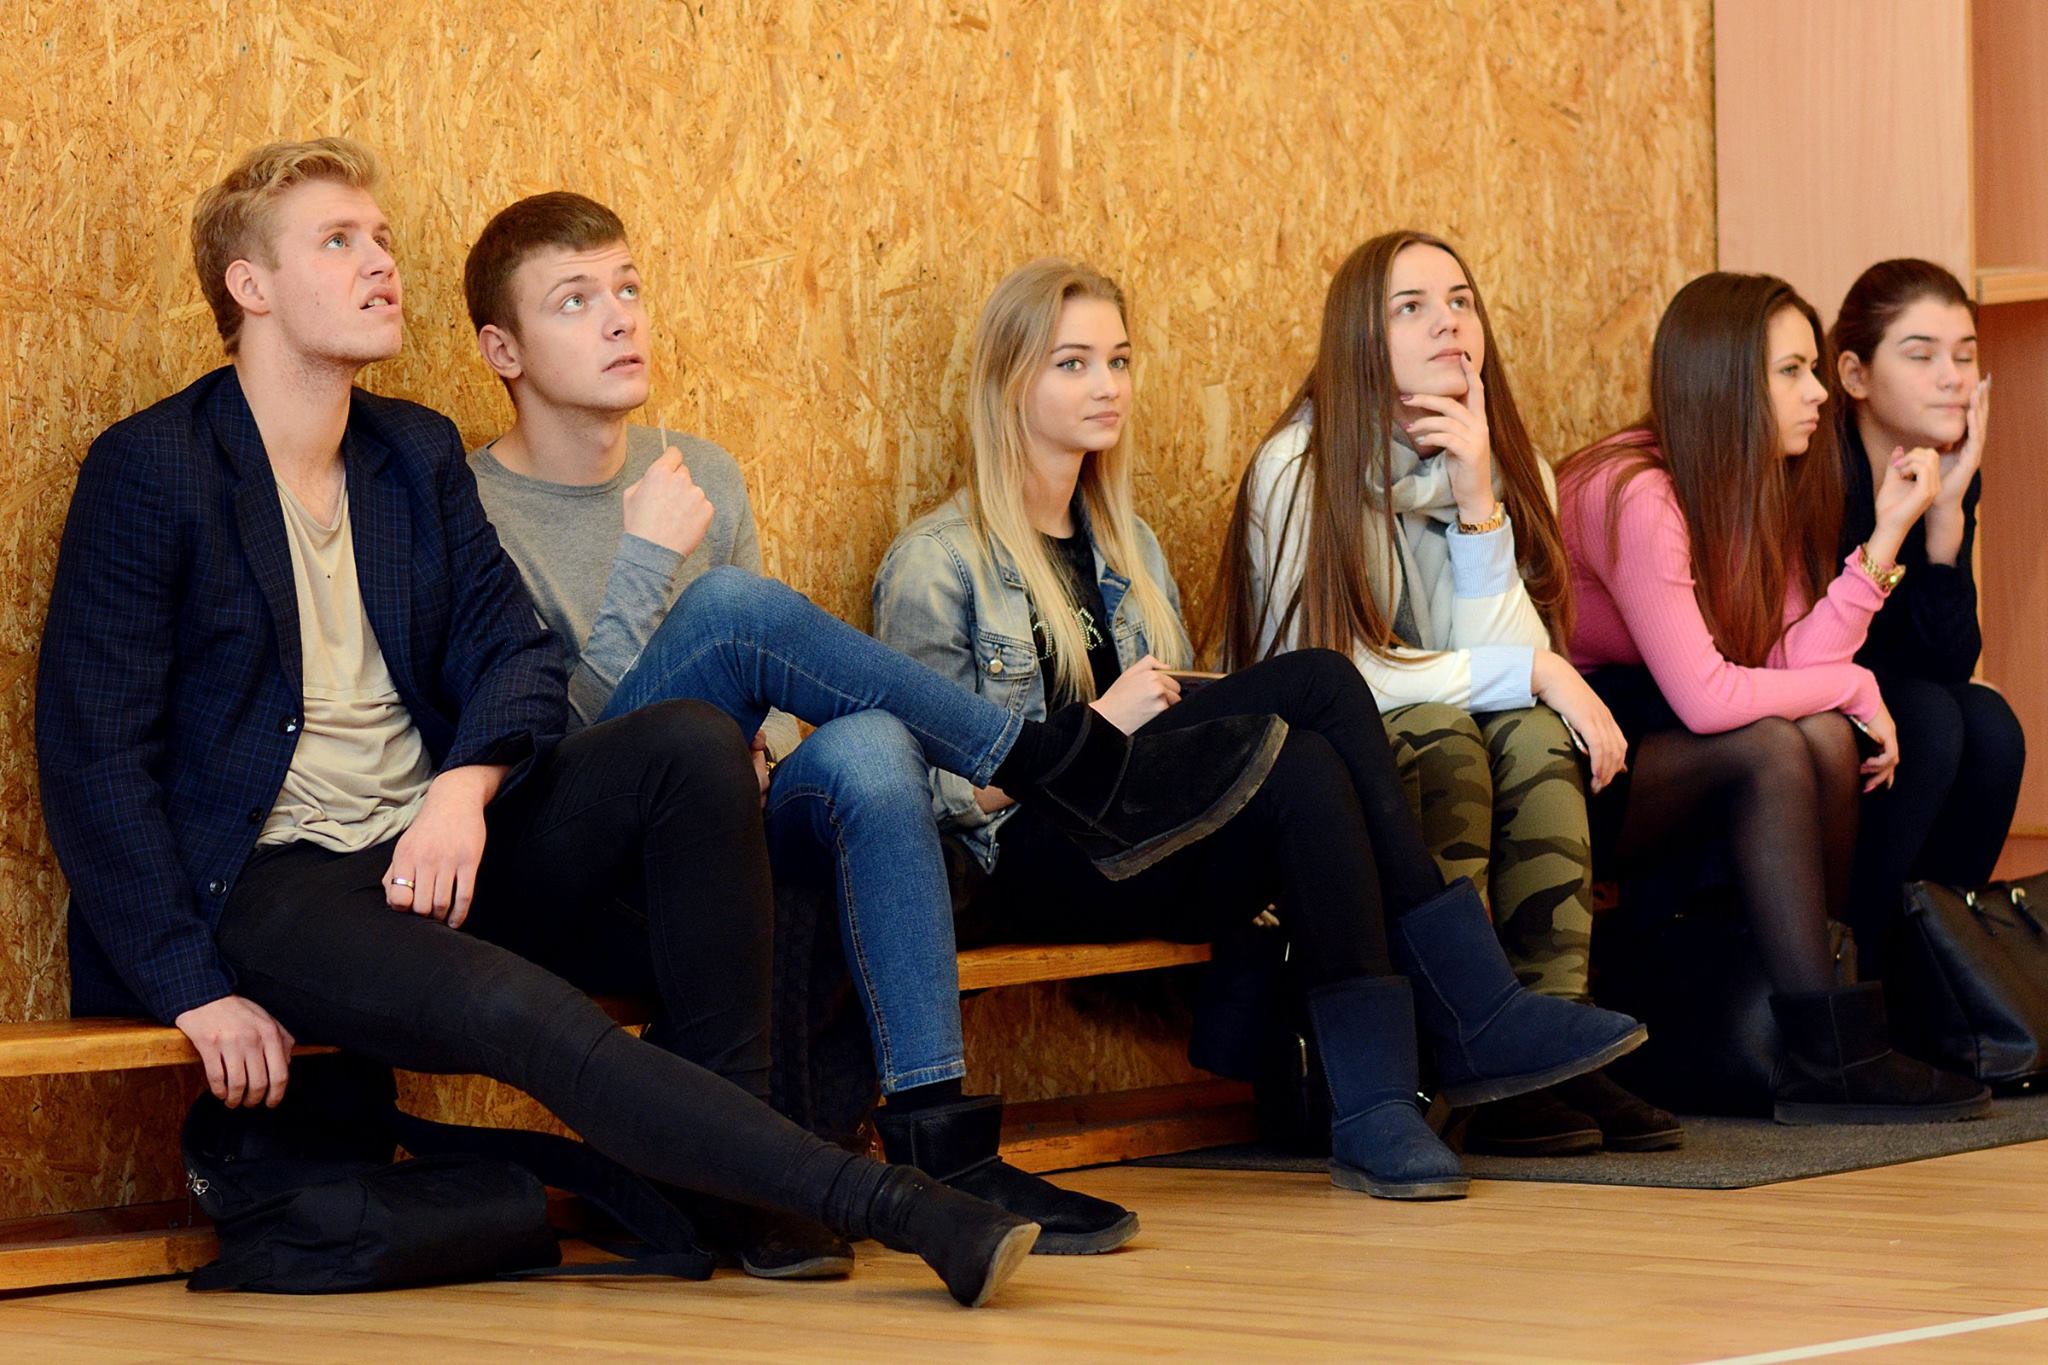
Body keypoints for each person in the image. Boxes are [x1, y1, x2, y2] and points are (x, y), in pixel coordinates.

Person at [34, 138, 1044, 1306]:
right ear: (248, 286)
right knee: (526, 1011)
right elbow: (94, 758)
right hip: (274, 884)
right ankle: (892, 1205)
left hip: (433, 850)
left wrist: (461, 789)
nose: (380, 263)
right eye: (339, 241)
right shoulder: (154, 469)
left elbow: (512, 655)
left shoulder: (409, 453)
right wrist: (190, 986)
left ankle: (731, 1182)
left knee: (689, 743)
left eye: (382, 239)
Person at [459, 192, 1286, 1254]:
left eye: (628, 289)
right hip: (579, 852)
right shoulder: (475, 505)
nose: (621, 318)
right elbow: (544, 743)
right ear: (503, 350)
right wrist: (645, 563)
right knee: (728, 607)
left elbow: (759, 695)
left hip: (713, 823)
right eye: (575, 301)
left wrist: (769, 752)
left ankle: (939, 1137)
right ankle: (1047, 759)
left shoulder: (701, 470)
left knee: (870, 745)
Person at [873, 257, 1647, 1200]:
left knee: (1307, 765)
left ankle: (1375, 1108)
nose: (1108, 384)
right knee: (1322, 678)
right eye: (1073, 363)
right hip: (1028, 864)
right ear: (1008, 384)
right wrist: (1097, 728)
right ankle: (1473, 1008)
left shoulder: (1128, 546)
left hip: (1142, 844)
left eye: (1119, 360)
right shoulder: (937, 561)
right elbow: (935, 797)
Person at [1214, 231, 1677, 1155]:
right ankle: (1457, 1034)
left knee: (1537, 737)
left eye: (1461, 301)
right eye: (1412, 307)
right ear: (1361, 336)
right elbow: (1338, 676)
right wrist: (1539, 668)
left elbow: (1509, 676)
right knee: (1444, 733)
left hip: (1451, 723)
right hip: (1323, 766)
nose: (1448, 324)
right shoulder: (1298, 468)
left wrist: (1477, 501)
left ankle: (1548, 1047)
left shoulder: (1502, 464)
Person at [1555, 269, 1991, 1124]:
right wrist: (1858, 683)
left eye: (1812, 369)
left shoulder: (1758, 478)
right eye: (1792, 371)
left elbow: (1790, 656)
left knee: (1822, 733)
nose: (1820, 392)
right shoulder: (1638, 492)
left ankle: (1833, 1031)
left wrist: (1889, 532)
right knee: (1773, 744)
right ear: (1725, 384)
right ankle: (1832, 1051)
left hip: (1670, 730)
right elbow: (1708, 696)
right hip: (1586, 752)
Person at [1830, 259, 2021, 974]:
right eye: (1922, 355)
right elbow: (1825, 649)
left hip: (1897, 695)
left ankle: (1936, 968)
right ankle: (1863, 967)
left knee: (1990, 724)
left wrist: (1945, 522)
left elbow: (1948, 662)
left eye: (1965, 356)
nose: (1953, 378)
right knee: (1932, 720)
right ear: (1855, 375)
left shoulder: (1943, 467)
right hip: (1808, 688)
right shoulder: (1819, 471)